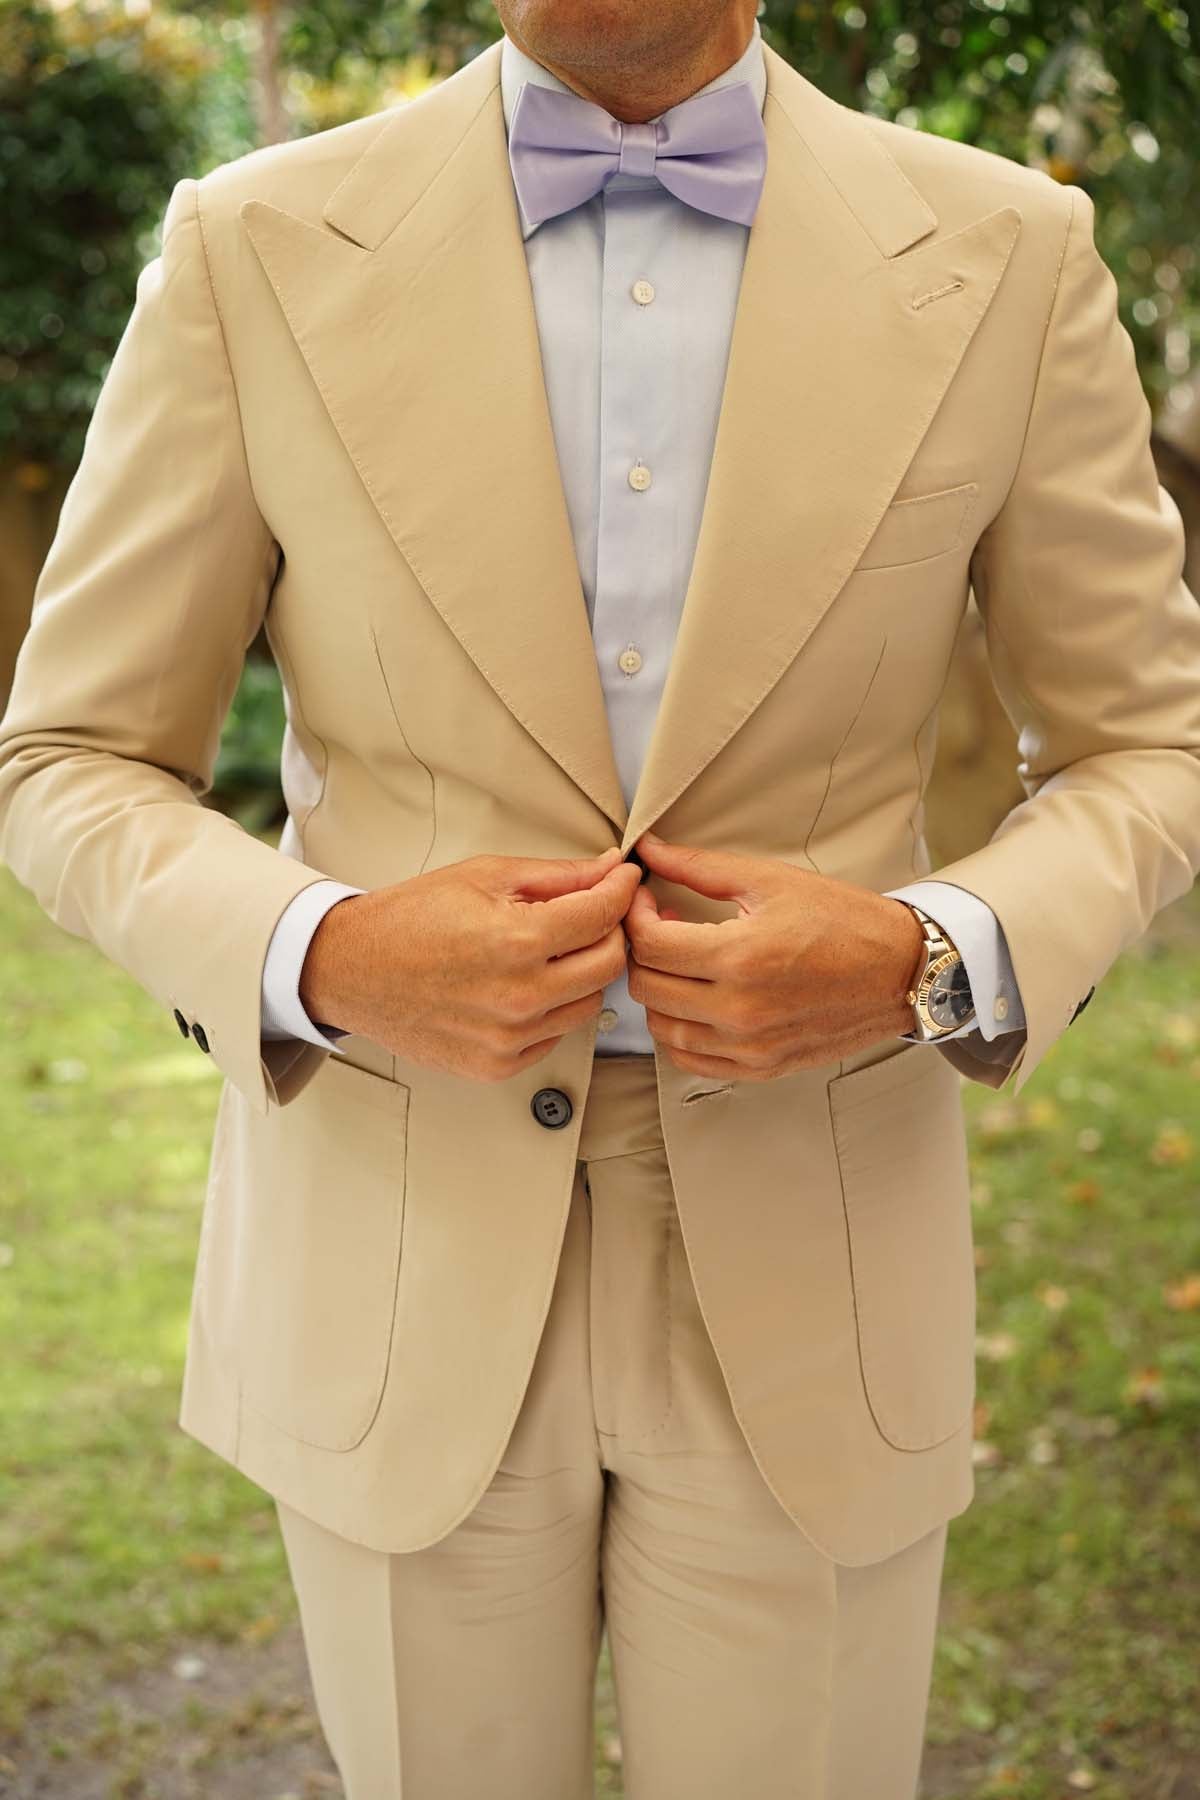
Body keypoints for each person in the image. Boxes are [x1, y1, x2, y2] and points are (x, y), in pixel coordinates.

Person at [2, 2, 1199, 1794]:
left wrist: (927, 960)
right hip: (395, 1246)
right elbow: (70, 756)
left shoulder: (1012, 253)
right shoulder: (249, 244)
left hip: (822, 1243)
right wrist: (322, 955)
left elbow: (1148, 745)